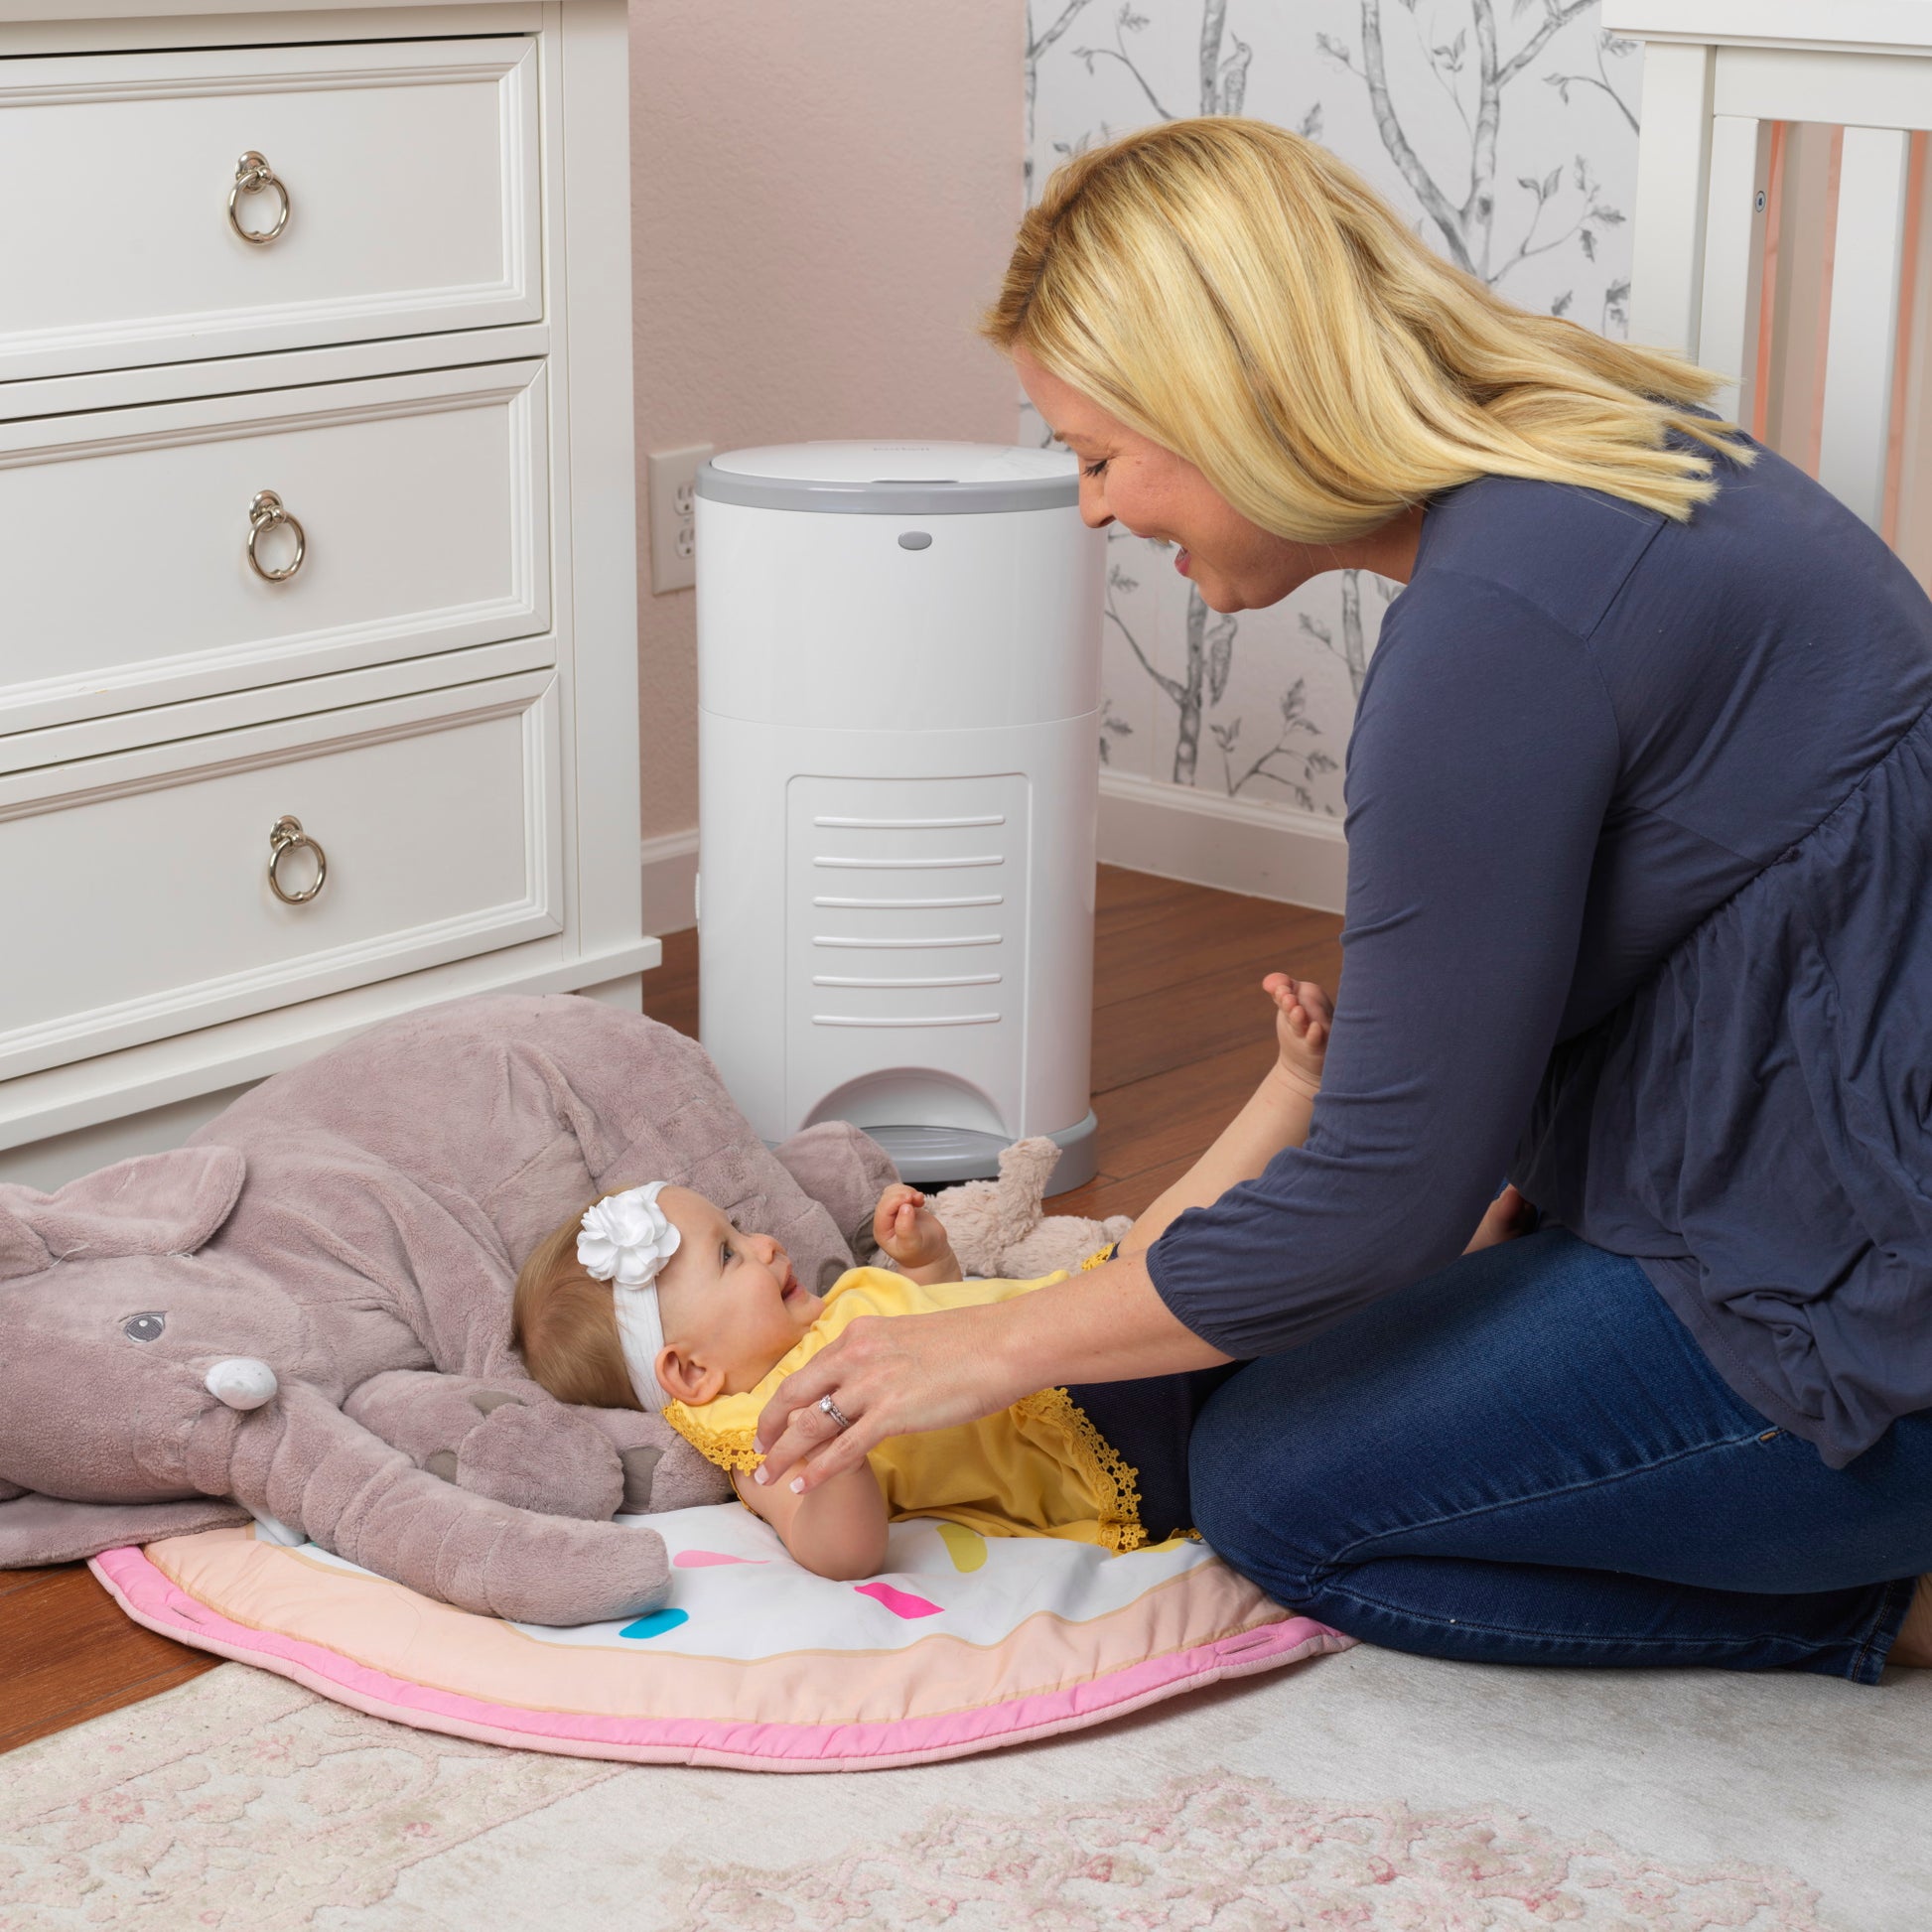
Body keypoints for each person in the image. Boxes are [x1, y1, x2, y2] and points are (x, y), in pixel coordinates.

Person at [749, 118, 1932, 1682]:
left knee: (1273, 1488)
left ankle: (1888, 1601)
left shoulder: (1490, 638)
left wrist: (977, 1345)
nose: (1093, 511)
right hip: (1833, 1166)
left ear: (1224, 399)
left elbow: (1381, 1197)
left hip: (1869, 1306)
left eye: (1096, 457)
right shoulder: (1591, 464)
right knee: (1264, 1360)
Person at [511, 976, 1349, 1576]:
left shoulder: (843, 1304)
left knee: (1158, 1250)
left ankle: (1293, 1088)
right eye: (729, 1255)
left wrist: (927, 1264)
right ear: (691, 1371)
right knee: (1277, 1350)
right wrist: (833, 1462)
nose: (765, 1245)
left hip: (1081, 1325)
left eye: (739, 1231)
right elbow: (841, 1552)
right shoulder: (753, 1432)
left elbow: (952, 1324)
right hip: (1099, 1441)